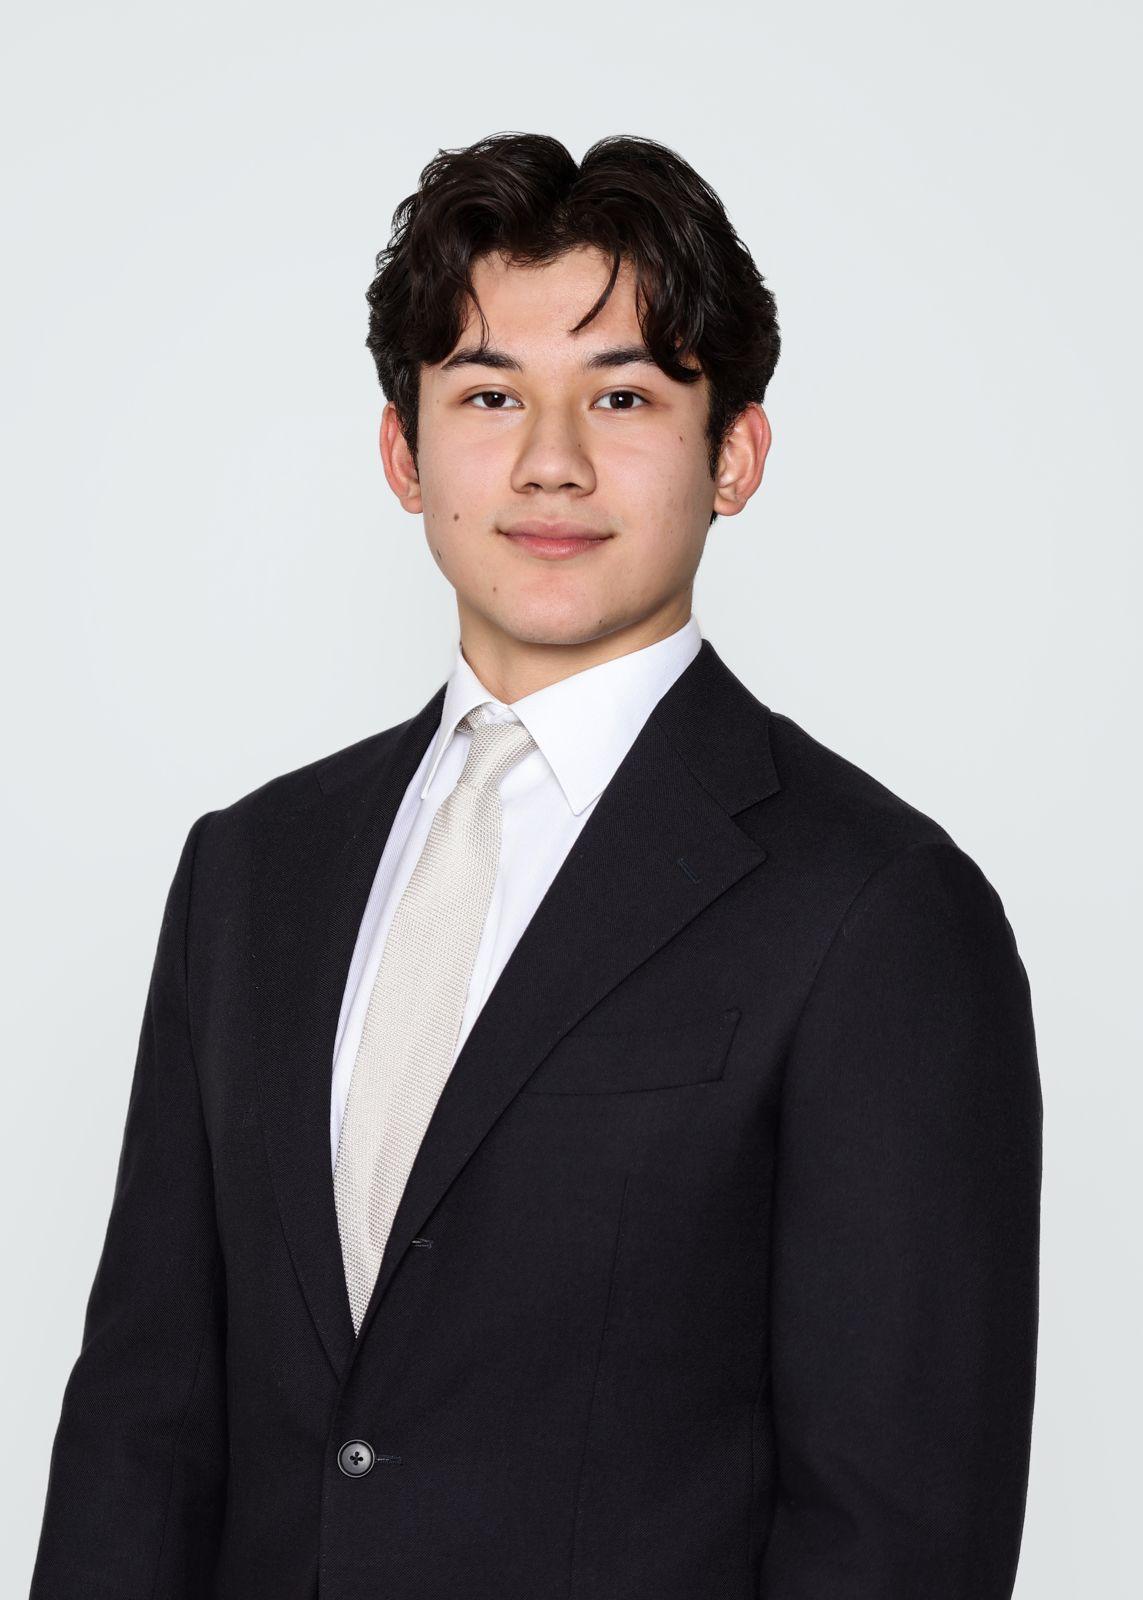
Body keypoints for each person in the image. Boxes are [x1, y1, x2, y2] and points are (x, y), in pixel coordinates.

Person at [30, 131, 1042, 1600]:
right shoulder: (251, 874)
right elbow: (141, 1429)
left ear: (735, 454)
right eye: (490, 394)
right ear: (404, 450)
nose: (550, 461)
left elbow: (898, 1530)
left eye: (624, 395)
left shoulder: (878, 909)